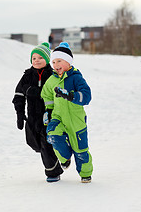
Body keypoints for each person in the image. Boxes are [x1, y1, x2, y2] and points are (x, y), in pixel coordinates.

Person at [41, 42, 93, 183]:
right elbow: (46, 96)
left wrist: (71, 96)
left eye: (59, 61)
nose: (56, 64)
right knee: (52, 134)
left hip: (76, 119)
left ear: (68, 62)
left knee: (80, 149)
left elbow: (86, 96)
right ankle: (65, 158)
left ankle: (85, 173)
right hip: (58, 116)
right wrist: (48, 111)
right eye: (53, 62)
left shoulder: (76, 78)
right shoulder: (51, 81)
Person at [12, 42, 63, 182]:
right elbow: (18, 95)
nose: (36, 61)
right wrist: (20, 113)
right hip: (32, 117)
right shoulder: (27, 76)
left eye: (40, 58)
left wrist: (37, 92)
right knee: (33, 142)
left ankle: (52, 172)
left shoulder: (52, 75)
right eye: (34, 58)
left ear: (46, 60)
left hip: (48, 115)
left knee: (46, 144)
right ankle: (57, 157)